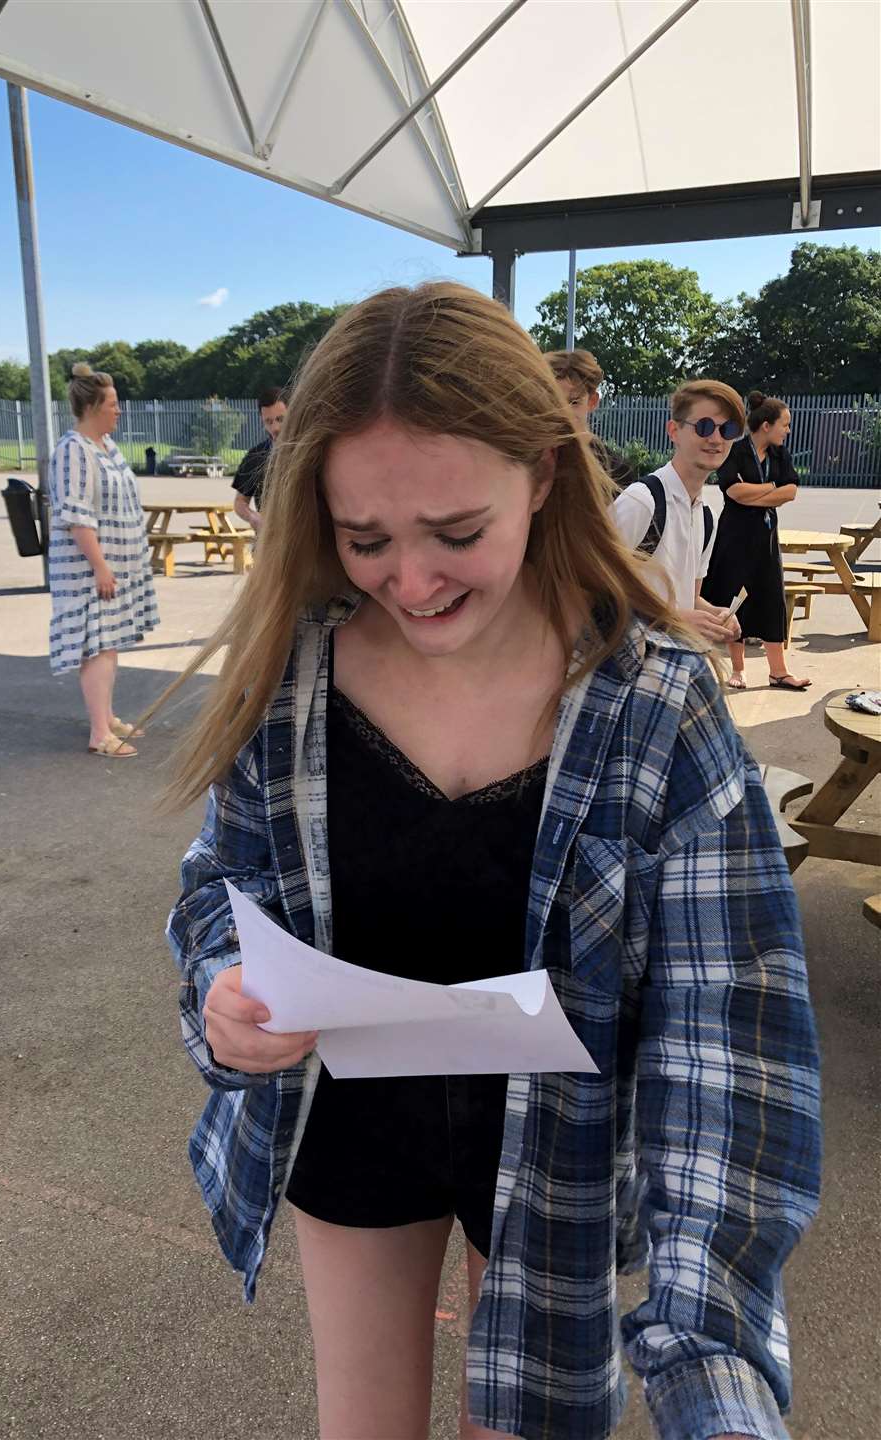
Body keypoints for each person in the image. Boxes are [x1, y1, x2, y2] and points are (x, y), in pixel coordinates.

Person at [164, 284, 820, 1440]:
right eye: (365, 540)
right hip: (348, 1123)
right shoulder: (292, 686)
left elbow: (729, 1056)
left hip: (561, 1142)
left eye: (458, 534)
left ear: (546, 478)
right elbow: (224, 887)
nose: (411, 584)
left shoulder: (658, 709)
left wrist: (714, 1380)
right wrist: (225, 994)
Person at [47, 362, 159, 757]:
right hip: (88, 571)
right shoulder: (73, 451)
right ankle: (100, 734)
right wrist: (100, 566)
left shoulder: (106, 447)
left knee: (109, 643)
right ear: (93, 407)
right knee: (97, 646)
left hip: (117, 565)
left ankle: (106, 716)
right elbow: (77, 517)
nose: (119, 410)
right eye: (113, 404)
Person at [611, 379, 744, 648]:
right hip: (625, 670)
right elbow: (592, 592)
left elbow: (689, 599)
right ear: (674, 430)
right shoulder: (643, 501)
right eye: (704, 426)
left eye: (727, 429)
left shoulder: (706, 517)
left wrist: (715, 615)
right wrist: (673, 618)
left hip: (672, 668)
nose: (716, 439)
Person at [701, 393, 810, 690]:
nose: (787, 430)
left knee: (772, 597)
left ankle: (779, 672)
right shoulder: (735, 452)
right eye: (784, 425)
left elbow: (790, 492)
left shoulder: (779, 455)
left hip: (766, 537)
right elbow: (733, 492)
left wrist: (757, 492)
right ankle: (738, 670)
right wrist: (770, 489)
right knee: (733, 598)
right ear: (765, 425)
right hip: (734, 536)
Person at [544, 347, 635, 489]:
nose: (563, 413)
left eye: (573, 402)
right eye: (554, 402)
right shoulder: (532, 463)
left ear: (592, 401)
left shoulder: (617, 471)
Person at [231, 385, 287, 532]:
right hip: (267, 542)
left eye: (280, 419)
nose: (275, 428)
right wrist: (252, 517)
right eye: (268, 422)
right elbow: (240, 502)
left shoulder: (310, 451)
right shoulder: (255, 456)